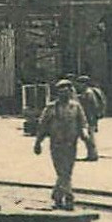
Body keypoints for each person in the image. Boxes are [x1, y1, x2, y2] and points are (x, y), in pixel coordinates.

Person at [34, 78, 91, 210]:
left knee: (66, 172)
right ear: (57, 94)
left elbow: (83, 123)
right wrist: (38, 142)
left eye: (66, 91)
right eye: (61, 92)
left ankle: (57, 196)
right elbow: (42, 126)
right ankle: (69, 197)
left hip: (71, 144)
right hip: (56, 144)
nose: (64, 94)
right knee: (62, 171)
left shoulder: (76, 107)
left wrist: (85, 134)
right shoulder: (50, 108)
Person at [76, 75, 103, 160]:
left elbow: (93, 106)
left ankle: (93, 155)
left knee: (89, 137)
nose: (78, 85)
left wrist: (93, 117)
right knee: (88, 136)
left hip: (89, 118)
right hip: (88, 117)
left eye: (80, 83)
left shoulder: (88, 93)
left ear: (84, 84)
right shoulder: (86, 92)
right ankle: (91, 154)